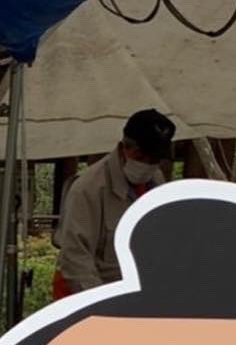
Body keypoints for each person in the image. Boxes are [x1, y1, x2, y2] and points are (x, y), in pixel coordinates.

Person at [53, 109, 175, 299]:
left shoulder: (156, 181)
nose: (148, 165)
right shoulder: (88, 188)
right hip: (87, 295)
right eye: (141, 157)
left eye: (155, 160)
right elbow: (74, 258)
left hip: (135, 294)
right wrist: (102, 304)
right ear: (124, 147)